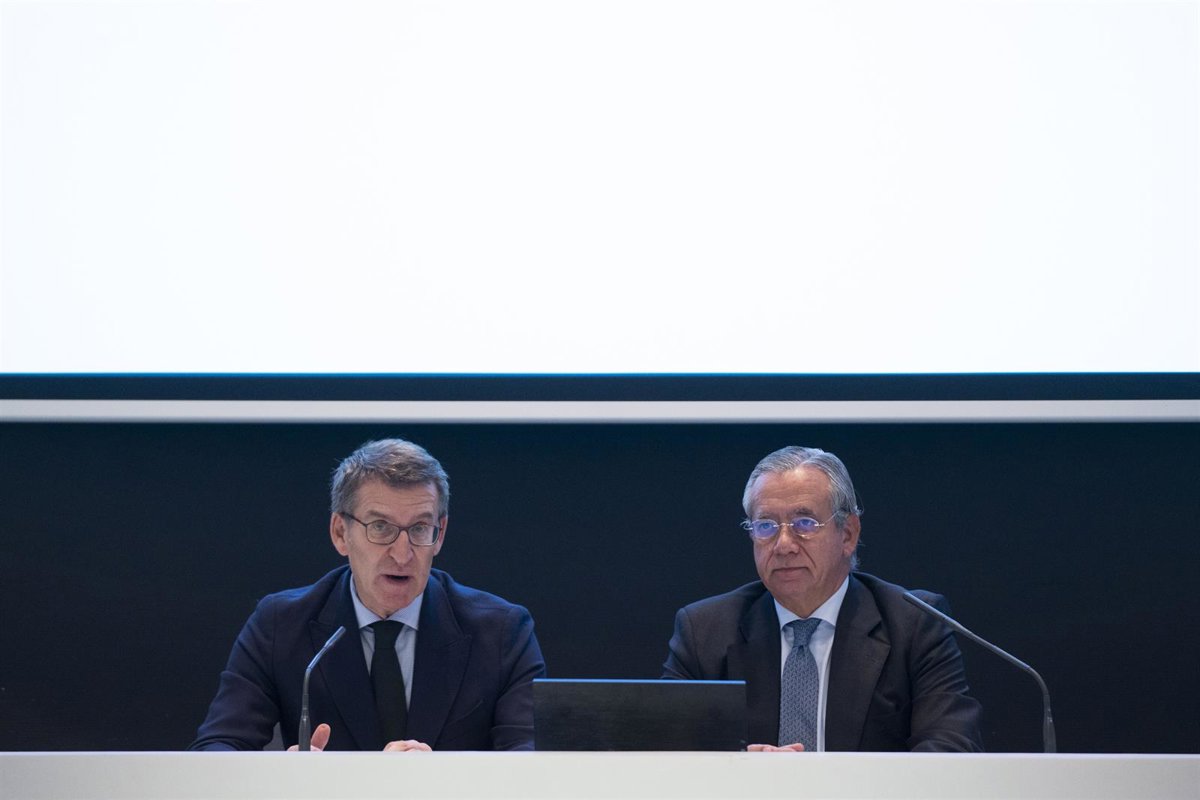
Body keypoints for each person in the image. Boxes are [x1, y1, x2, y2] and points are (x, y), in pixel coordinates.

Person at [189, 438, 545, 752]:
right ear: (340, 533)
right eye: (381, 527)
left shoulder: (502, 632)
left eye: (420, 528)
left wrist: (443, 779)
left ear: (440, 534)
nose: (402, 554)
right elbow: (217, 748)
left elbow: (532, 757)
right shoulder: (280, 625)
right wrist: (288, 775)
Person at [662, 446, 983, 752]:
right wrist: (739, 766)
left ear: (848, 534)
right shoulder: (704, 631)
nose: (783, 545)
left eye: (804, 524)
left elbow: (951, 749)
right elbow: (664, 749)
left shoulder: (915, 625)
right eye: (766, 526)